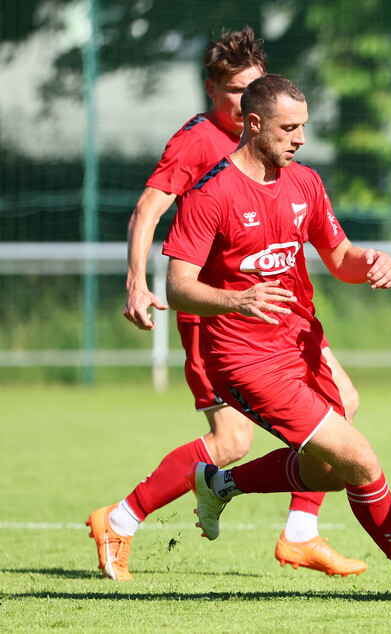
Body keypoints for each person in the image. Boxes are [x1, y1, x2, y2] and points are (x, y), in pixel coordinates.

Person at [161, 73, 391, 603]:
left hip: (302, 344)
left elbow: (340, 258)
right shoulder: (211, 193)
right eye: (289, 128)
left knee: (328, 474)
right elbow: (178, 287)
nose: (300, 138)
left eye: (304, 127)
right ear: (255, 122)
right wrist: (236, 300)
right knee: (359, 458)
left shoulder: (305, 183)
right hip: (244, 359)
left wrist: (373, 261)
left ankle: (219, 484)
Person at [87, 27, 365, 582]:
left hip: (278, 319)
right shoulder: (198, 142)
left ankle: (301, 535)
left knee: (343, 403)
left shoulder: (276, 147)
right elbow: (148, 208)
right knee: (232, 441)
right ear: (211, 89)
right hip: (219, 316)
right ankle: (119, 518)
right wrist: (136, 281)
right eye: (235, 91)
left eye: (254, 89)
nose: (245, 102)